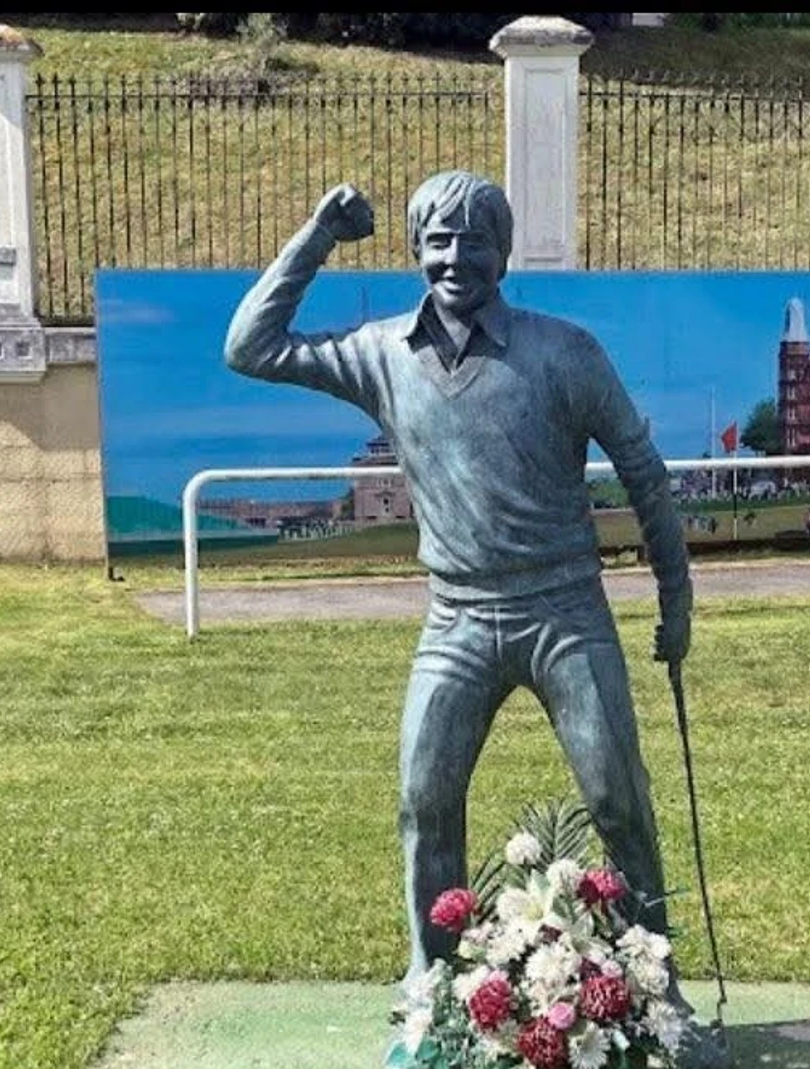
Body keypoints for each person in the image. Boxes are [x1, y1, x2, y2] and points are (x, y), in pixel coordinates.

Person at [224, 171, 728, 1067]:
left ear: (505, 248)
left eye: (474, 238)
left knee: (618, 796)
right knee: (425, 799)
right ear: (416, 248)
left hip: (566, 609)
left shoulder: (565, 351)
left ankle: (657, 983)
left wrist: (677, 603)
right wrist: (317, 234)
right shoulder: (380, 351)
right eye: (439, 239)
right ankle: (432, 994)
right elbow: (249, 347)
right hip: (456, 617)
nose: (456, 257)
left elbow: (646, 477)